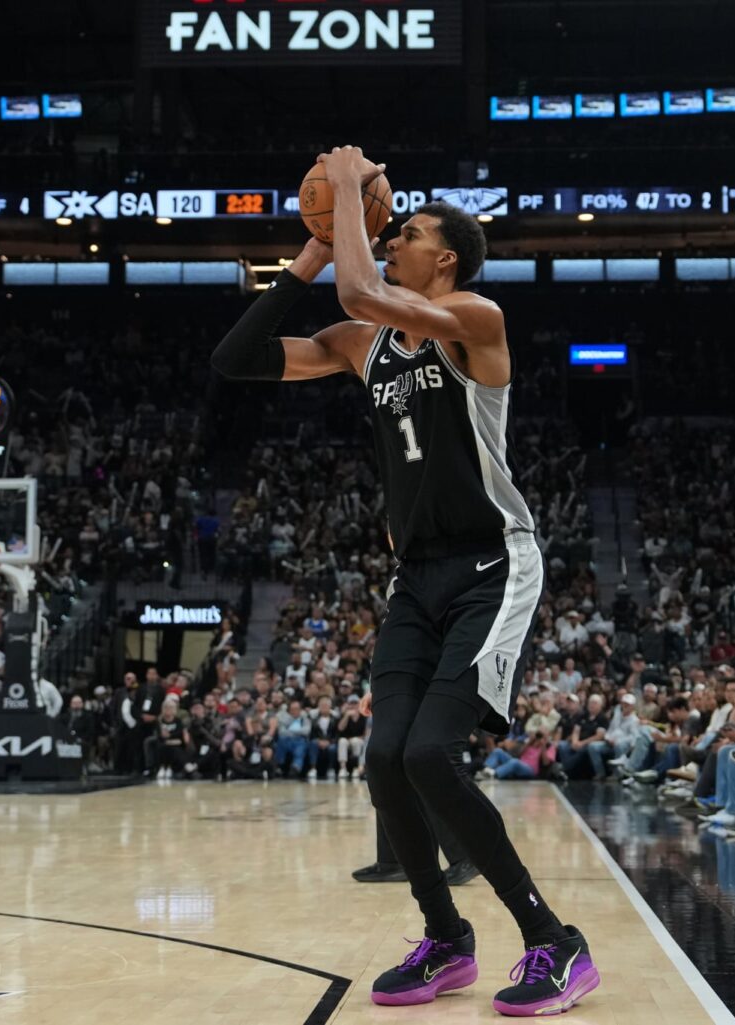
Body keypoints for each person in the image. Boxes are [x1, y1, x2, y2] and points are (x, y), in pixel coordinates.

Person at [212, 144, 597, 1016]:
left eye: (409, 232)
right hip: (416, 574)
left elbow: (362, 292)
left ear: (446, 257)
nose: (394, 237)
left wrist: (346, 188)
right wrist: (306, 254)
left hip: (495, 563)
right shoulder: (362, 343)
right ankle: (446, 938)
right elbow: (235, 360)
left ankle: (554, 942)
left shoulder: (475, 317)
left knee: (430, 751)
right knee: (385, 758)